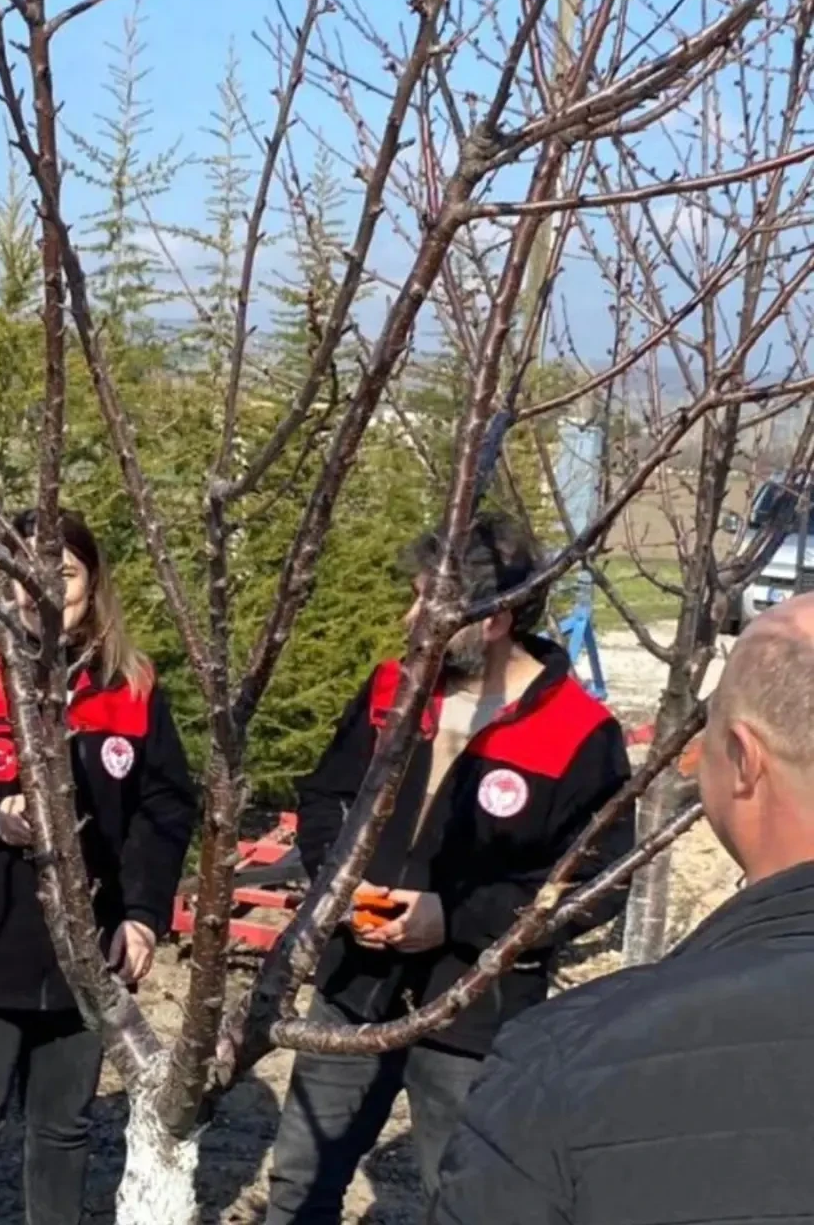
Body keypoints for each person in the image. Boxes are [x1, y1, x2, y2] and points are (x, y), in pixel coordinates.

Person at [264, 512, 633, 1224]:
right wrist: (337, 883)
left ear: (492, 618)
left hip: (476, 1013)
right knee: (298, 1188)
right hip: (352, 987)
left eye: (428, 602)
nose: (409, 617)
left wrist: (457, 917)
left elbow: (597, 884)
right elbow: (325, 800)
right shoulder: (390, 692)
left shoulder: (580, 734)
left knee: (464, 1202)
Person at [432, 592, 814, 1225]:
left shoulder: (566, 1061)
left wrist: (457, 918)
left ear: (745, 759)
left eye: (708, 729)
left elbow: (597, 874)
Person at [0, 507, 198, 1225]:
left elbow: (164, 808)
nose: (41, 590)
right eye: (22, 573)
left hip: (88, 951)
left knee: (64, 1128)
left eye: (63, 574)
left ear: (93, 585)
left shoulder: (132, 686)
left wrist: (145, 916)